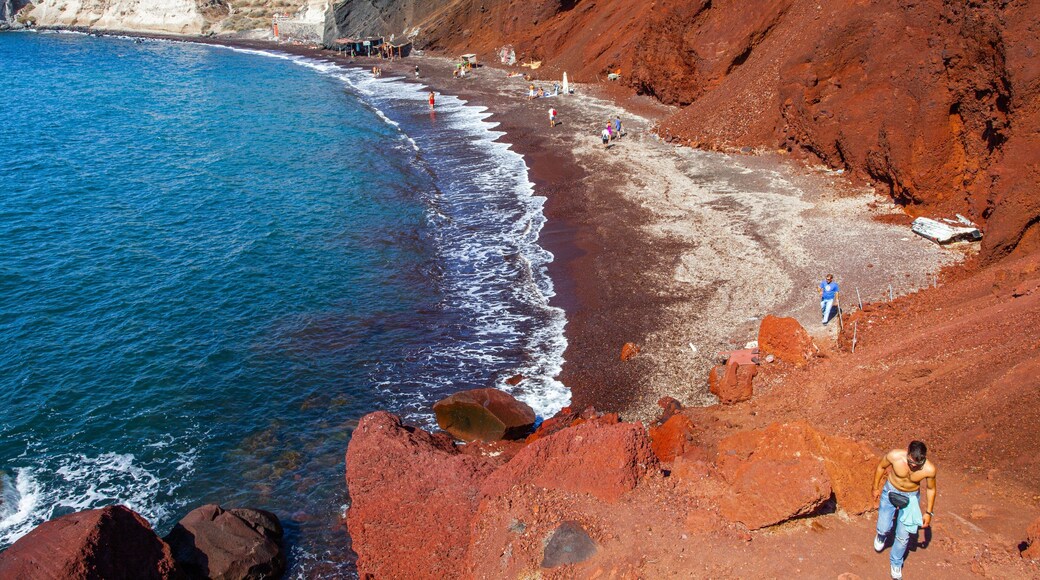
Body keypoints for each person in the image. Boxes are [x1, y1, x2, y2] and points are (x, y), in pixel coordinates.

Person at [872, 441, 937, 580]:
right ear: (908, 453)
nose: (913, 466)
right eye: (911, 461)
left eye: (918, 464)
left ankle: (896, 562)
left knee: (903, 536)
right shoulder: (894, 456)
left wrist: (928, 512)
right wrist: (875, 487)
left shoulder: (929, 469)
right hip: (891, 490)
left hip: (911, 498)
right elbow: (880, 467)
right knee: (883, 527)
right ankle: (881, 535)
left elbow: (931, 489)